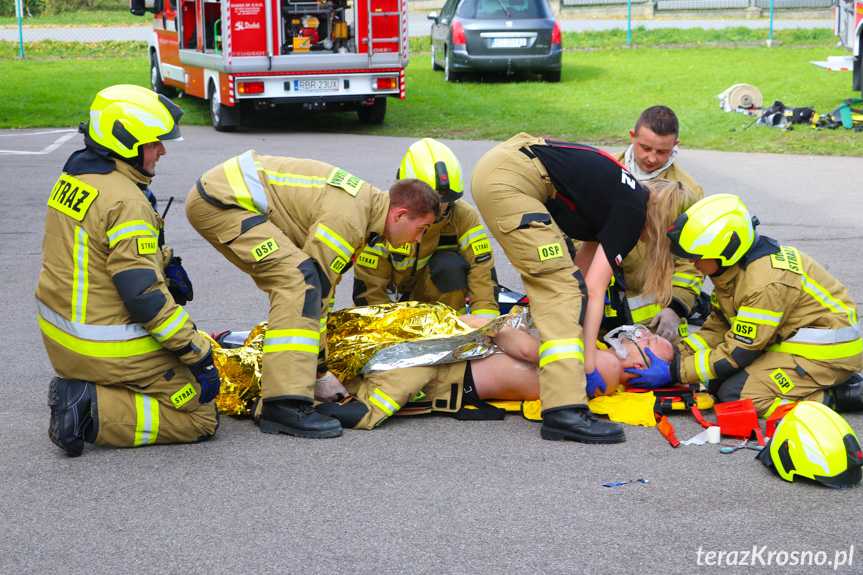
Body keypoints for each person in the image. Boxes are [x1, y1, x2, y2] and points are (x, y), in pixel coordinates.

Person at [186, 153, 440, 439]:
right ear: (400, 215)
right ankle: (284, 404)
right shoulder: (350, 219)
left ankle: (285, 394)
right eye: (422, 229)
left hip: (225, 197)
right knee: (297, 280)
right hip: (221, 200)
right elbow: (312, 286)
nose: (419, 239)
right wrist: (319, 374)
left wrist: (320, 369)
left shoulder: (363, 213)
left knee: (304, 282)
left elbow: (322, 295)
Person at [470, 133, 699, 444]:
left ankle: (563, 397)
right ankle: (564, 409)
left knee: (563, 285)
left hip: (504, 168)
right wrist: (587, 364)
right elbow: (592, 289)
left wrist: (555, 329)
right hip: (511, 180)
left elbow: (580, 272)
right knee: (560, 290)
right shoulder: (632, 211)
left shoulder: (621, 196)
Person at [37, 85, 221, 457]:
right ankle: (88, 409)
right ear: (125, 143)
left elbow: (96, 248)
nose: (162, 151)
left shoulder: (77, 177)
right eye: (154, 143)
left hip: (63, 336)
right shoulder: (126, 200)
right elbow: (144, 298)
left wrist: (163, 261)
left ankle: (96, 391)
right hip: (104, 344)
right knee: (200, 415)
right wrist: (197, 352)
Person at [628, 194, 863, 418]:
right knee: (718, 382)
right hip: (788, 341)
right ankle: (823, 381)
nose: (691, 261)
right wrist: (677, 354)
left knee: (737, 396)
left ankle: (837, 397)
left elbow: (737, 352)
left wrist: (673, 372)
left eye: (697, 255)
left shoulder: (763, 283)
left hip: (824, 354)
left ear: (727, 250)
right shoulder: (732, 271)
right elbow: (718, 330)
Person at [316, 318, 676, 429]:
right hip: (464, 364)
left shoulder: (609, 367)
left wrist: (496, 327)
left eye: (652, 340)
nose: (641, 332)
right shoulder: (598, 356)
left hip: (457, 374)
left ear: (641, 368)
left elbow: (531, 351)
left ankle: (356, 410)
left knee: (403, 370)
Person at [353, 138, 499, 319]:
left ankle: (453, 332)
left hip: (437, 300)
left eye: (445, 205)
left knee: (450, 266)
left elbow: (482, 271)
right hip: (390, 305)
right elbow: (370, 286)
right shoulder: (384, 217)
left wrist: (486, 325)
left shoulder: (462, 215)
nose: (439, 212)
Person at [607, 105, 706, 341]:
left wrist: (677, 307)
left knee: (664, 373)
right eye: (645, 147)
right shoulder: (604, 171)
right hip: (600, 304)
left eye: (662, 151)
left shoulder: (687, 192)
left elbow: (692, 259)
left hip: (654, 317)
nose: (652, 158)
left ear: (676, 145)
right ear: (632, 136)